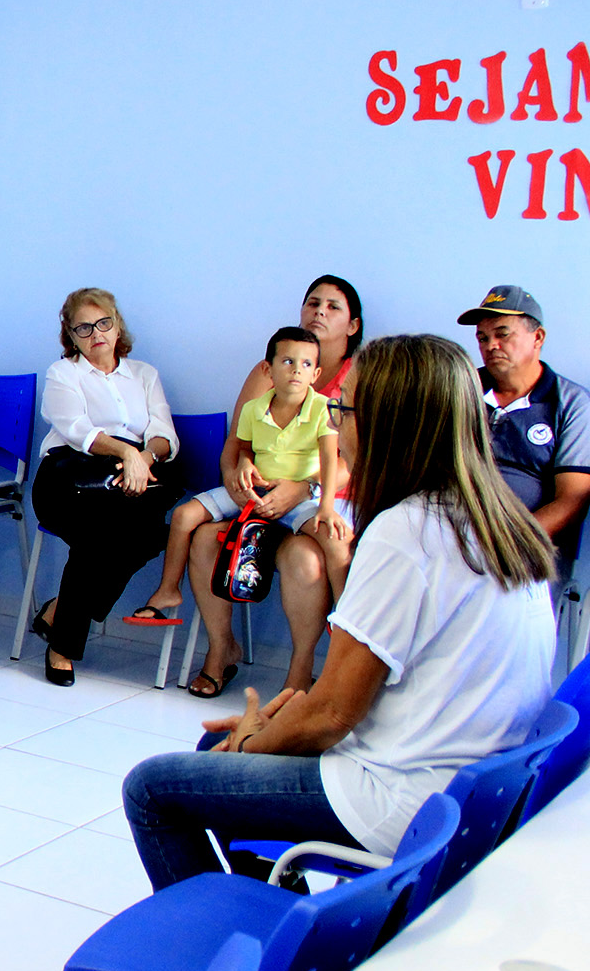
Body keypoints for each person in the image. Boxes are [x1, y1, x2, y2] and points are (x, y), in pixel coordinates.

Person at [120, 333, 557, 891]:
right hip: (469, 793)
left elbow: (332, 715)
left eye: (342, 407)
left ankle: (226, 948)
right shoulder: (500, 520)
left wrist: (253, 744)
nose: (334, 423)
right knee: (215, 750)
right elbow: (361, 696)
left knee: (152, 789)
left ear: (385, 423)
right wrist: (268, 731)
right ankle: (273, 905)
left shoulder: (407, 533)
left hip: (402, 799)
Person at [143, 327, 348, 698]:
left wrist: (325, 503)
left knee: (333, 540)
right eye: (288, 362)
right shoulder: (257, 407)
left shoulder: (324, 407)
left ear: (316, 373)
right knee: (191, 521)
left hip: (302, 497)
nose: (296, 370)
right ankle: (198, 624)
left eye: (305, 364)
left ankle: (346, 617)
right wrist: (242, 470)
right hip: (255, 494)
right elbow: (242, 449)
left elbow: (337, 460)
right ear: (269, 368)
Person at [187, 276, 367, 695]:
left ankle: (304, 670)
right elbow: (236, 446)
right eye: (312, 303)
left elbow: (355, 462)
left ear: (353, 326)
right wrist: (237, 474)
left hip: (322, 502)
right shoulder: (267, 370)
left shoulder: (360, 377)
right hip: (261, 500)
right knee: (203, 539)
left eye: (333, 307)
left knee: (308, 561)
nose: (319, 311)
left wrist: (304, 489)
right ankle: (221, 650)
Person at [30, 288, 183, 686]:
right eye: (84, 327)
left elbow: (165, 433)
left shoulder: (145, 375)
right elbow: (76, 430)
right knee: (99, 535)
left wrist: (142, 459)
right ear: (71, 335)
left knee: (159, 532)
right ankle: (62, 646)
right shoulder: (63, 373)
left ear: (117, 326)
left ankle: (61, 612)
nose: (96, 333)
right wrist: (126, 453)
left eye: (104, 323)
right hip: (69, 479)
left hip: (134, 476)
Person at [458, 284, 590, 546]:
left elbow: (572, 498)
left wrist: (509, 546)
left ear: (538, 337)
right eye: (483, 338)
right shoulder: (460, 387)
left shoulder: (571, 402)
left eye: (502, 334)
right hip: (450, 535)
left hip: (524, 548)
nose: (491, 345)